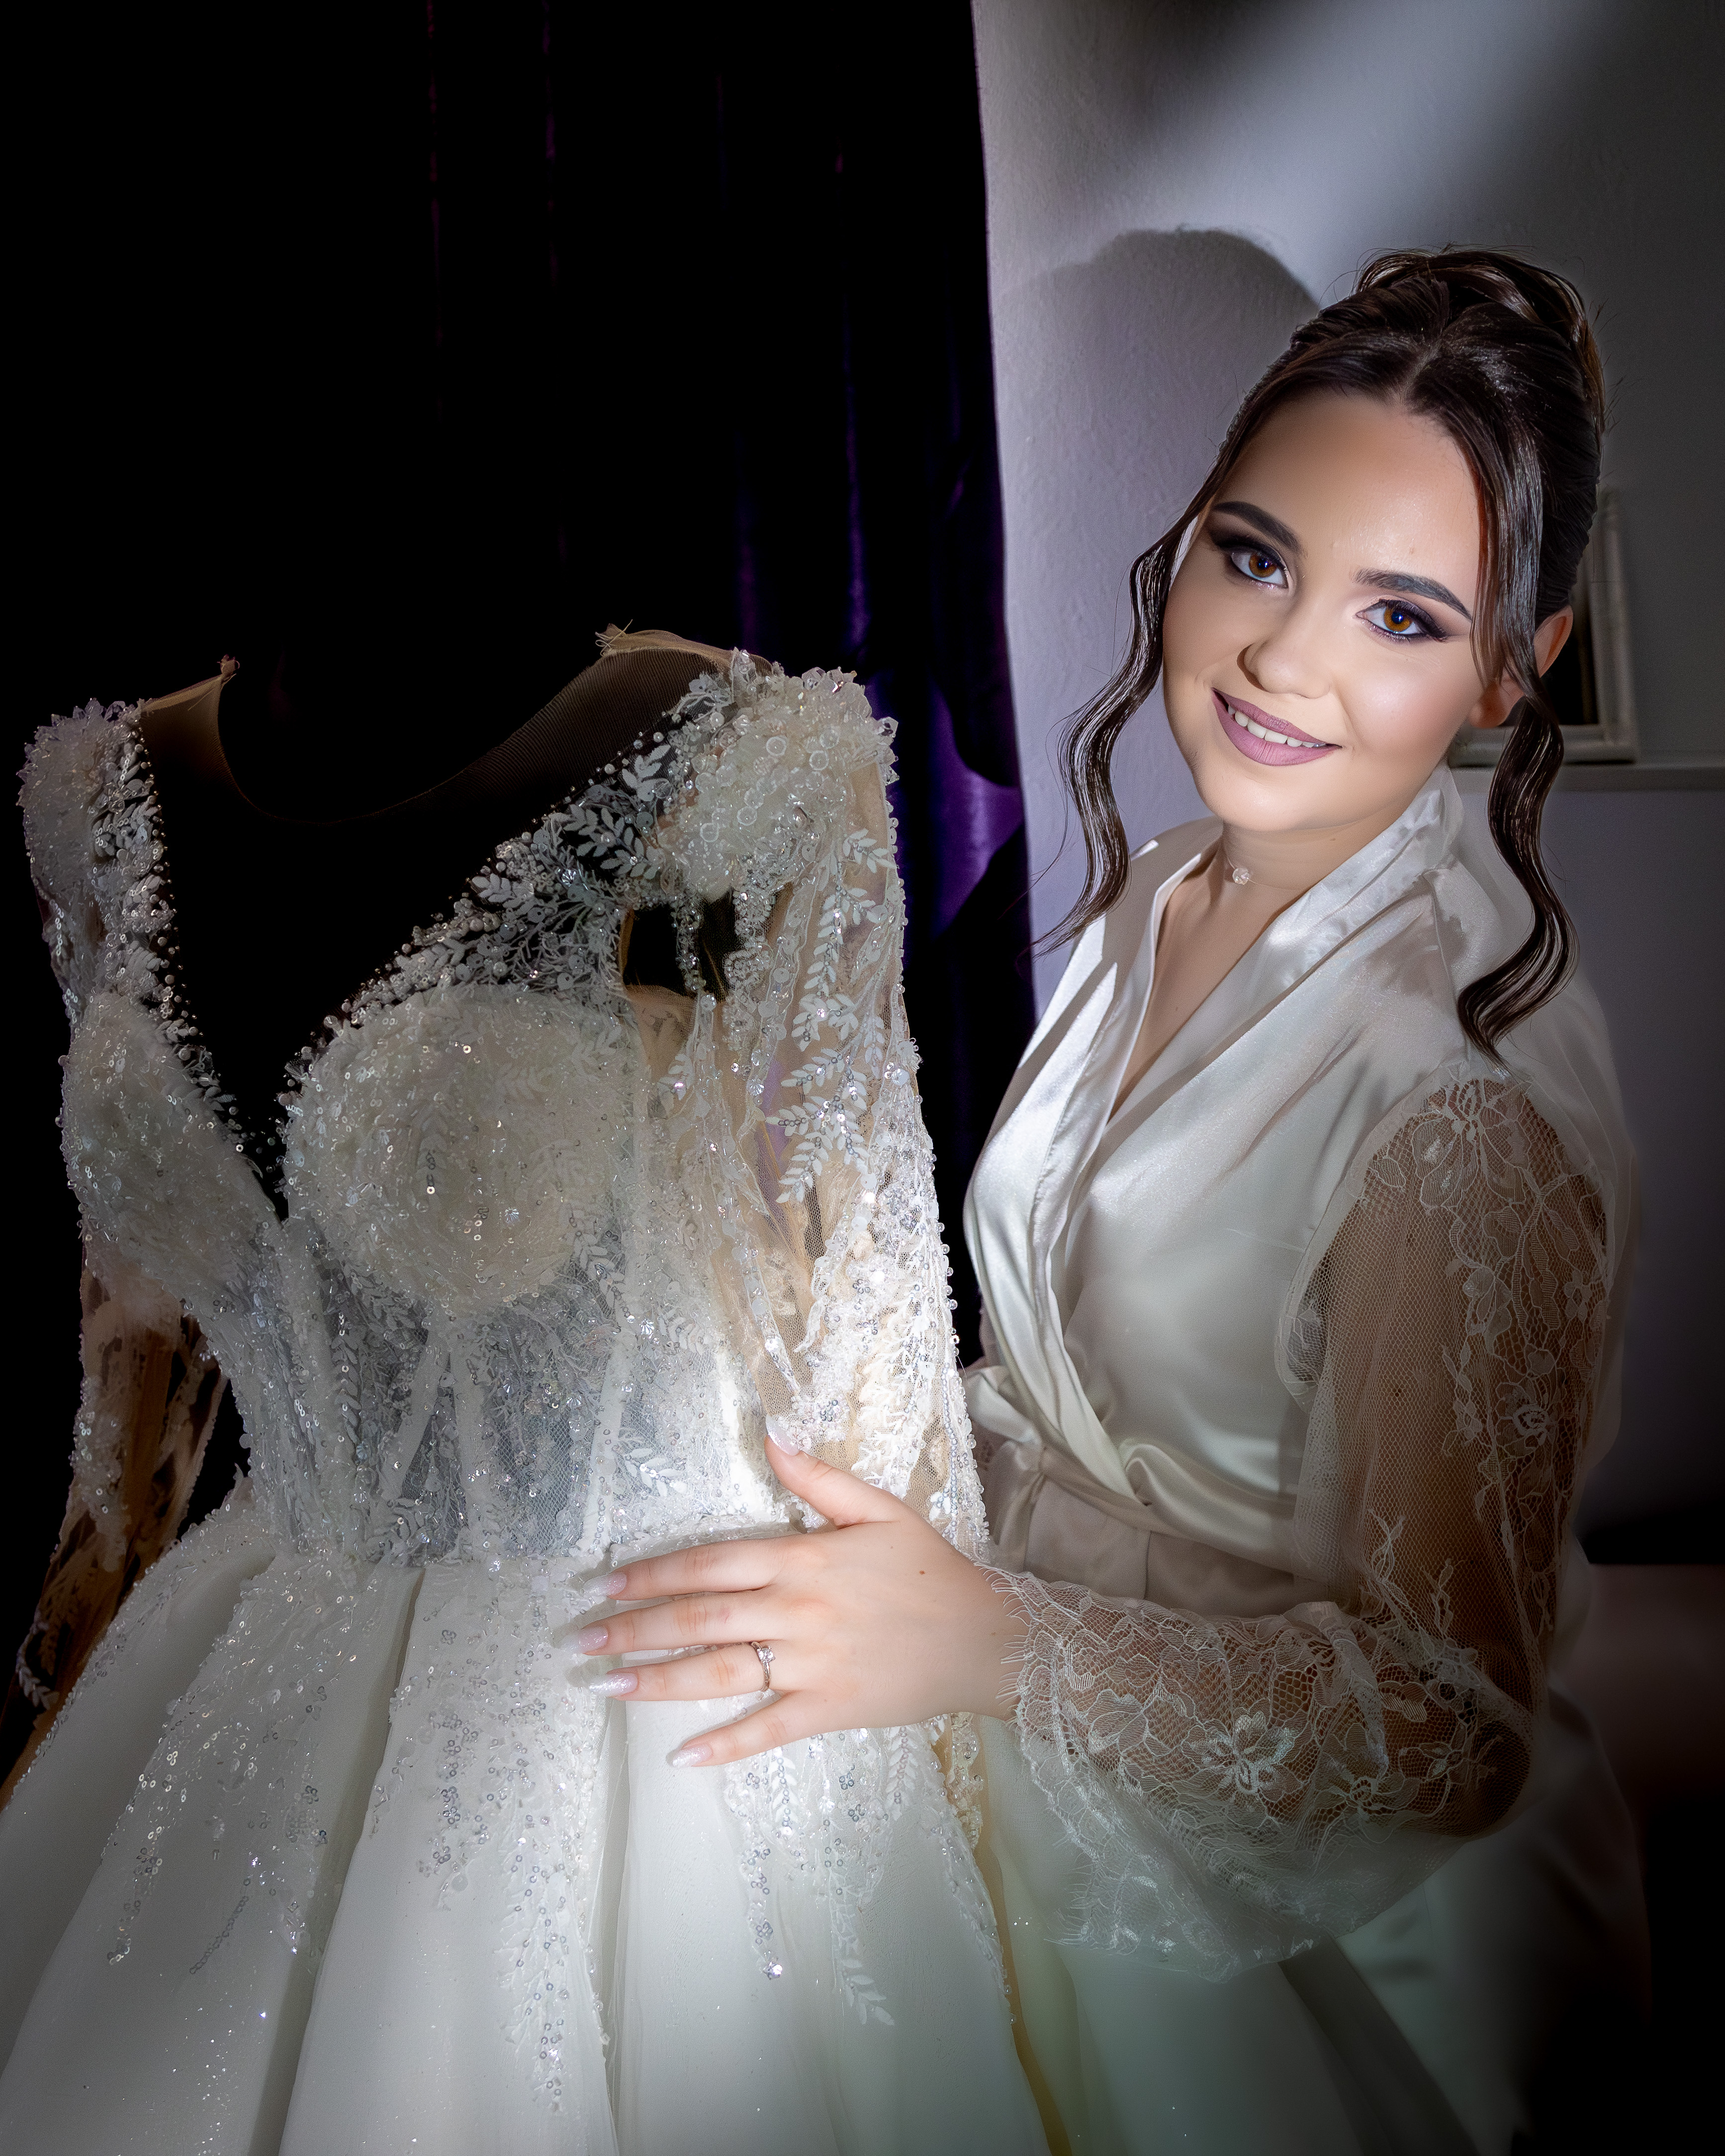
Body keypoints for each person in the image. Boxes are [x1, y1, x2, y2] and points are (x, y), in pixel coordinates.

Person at [582, 252, 1649, 2154]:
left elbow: (1448, 1728)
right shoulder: (1166, 886)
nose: (1281, 658)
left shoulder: (1457, 1095)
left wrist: (988, 1645)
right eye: (1256, 555)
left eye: (1400, 614)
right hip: (1038, 1731)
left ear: (1515, 664)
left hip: (1329, 1932)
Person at [0, 632, 1048, 2154]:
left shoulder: (733, 761)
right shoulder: (93, 799)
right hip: (242, 1649)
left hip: (643, 1682)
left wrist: (943, 1734)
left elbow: (850, 1299)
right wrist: (83, 1602)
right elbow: (135, 1336)